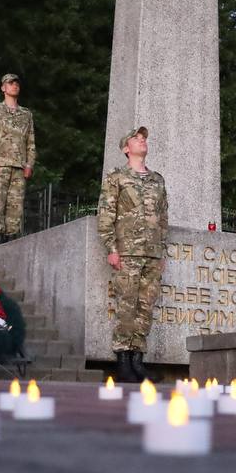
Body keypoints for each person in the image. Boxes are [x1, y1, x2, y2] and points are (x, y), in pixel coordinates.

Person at [97, 126, 168, 383]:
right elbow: (106, 215)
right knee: (127, 306)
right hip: (127, 251)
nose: (142, 141)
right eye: (136, 139)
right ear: (126, 149)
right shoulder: (117, 177)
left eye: (144, 138)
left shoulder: (157, 180)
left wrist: (161, 253)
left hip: (151, 253)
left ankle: (138, 360)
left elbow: (162, 219)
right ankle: (123, 361)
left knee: (145, 308)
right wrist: (111, 249)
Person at [0, 73, 36, 243]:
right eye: (10, 83)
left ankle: (12, 239)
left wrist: (29, 164)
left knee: (16, 207)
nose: (15, 85)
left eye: (16, 83)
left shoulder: (26, 114)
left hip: (19, 166)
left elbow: (31, 142)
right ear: (3, 87)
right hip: (1, 164)